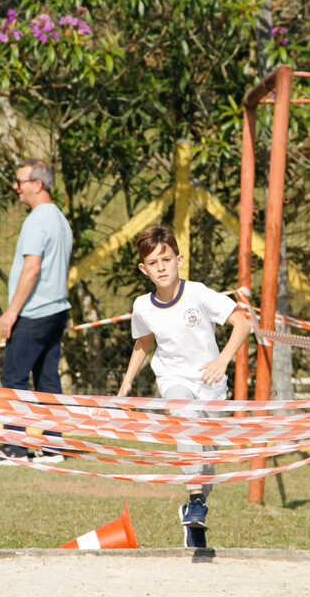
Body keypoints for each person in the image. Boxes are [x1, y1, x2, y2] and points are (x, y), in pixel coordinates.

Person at [117, 225, 250, 548]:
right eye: (153, 263)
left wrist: (222, 361)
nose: (161, 268)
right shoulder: (142, 305)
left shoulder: (198, 293)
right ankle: (195, 498)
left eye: (166, 260)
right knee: (185, 422)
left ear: (179, 260)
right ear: (144, 270)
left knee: (207, 466)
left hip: (211, 385)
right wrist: (127, 382)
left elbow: (242, 323)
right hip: (173, 381)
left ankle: (194, 509)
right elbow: (143, 342)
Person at [0, 159, 73, 465]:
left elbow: (32, 269)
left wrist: (11, 313)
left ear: (38, 185)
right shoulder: (59, 218)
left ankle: (15, 447)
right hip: (57, 310)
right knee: (47, 382)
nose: (15, 187)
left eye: (20, 181)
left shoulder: (37, 220)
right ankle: (52, 447)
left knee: (14, 378)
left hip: (34, 313)